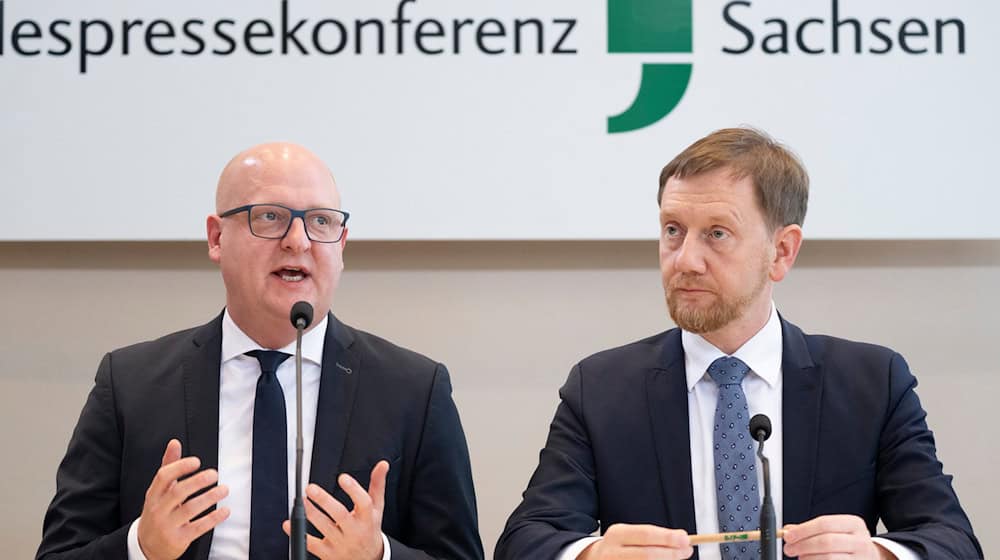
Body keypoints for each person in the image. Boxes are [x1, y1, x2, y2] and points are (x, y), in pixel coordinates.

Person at [495, 128, 981, 560]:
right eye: (672, 231)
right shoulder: (601, 388)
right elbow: (525, 539)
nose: (685, 260)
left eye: (717, 234)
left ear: (782, 251)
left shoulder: (872, 383)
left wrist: (879, 554)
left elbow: (951, 539)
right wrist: (589, 555)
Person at [37, 143, 484, 560]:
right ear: (216, 238)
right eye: (269, 217)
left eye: (321, 221)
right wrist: (141, 546)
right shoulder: (129, 383)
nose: (298, 240)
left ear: (341, 245)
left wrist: (379, 556)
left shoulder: (413, 390)